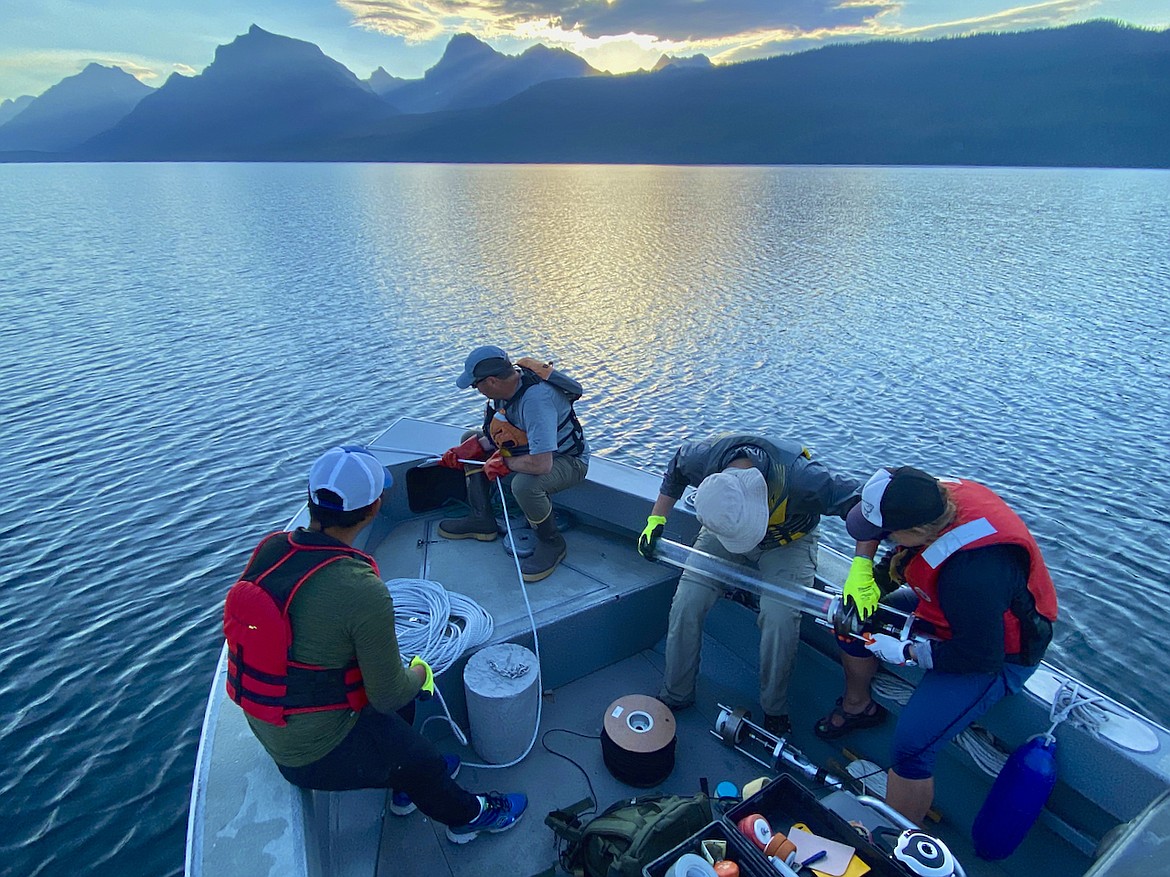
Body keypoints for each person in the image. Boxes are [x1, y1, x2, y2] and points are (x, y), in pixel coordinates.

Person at [223, 445, 527, 843]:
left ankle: (403, 786)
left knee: (396, 692)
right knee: (424, 756)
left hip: (276, 725)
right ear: (374, 509)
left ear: (312, 500)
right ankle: (470, 816)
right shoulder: (361, 589)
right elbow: (388, 696)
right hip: (311, 755)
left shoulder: (273, 549)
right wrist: (422, 669)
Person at [815, 465, 1058, 824]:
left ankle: (899, 843)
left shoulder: (972, 574)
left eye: (885, 535)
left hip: (997, 651)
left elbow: (979, 655)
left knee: (911, 746)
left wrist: (908, 652)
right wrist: (864, 570)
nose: (880, 539)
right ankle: (858, 707)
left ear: (915, 532)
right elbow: (879, 515)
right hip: (944, 605)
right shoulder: (922, 491)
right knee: (853, 622)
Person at [637, 433, 861, 736]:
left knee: (779, 617)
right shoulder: (701, 457)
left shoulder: (806, 481)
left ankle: (774, 709)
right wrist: (656, 521)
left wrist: (862, 569)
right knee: (687, 601)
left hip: (788, 540)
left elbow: (864, 507)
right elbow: (676, 468)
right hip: (722, 531)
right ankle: (676, 693)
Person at [437, 345, 590, 582]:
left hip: (567, 461)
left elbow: (542, 465)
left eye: (476, 385)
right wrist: (465, 451)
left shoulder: (536, 401)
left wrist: (504, 462)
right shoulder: (504, 394)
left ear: (491, 381)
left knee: (525, 485)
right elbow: (501, 434)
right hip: (531, 452)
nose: (476, 390)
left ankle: (552, 543)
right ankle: (482, 520)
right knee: (469, 439)